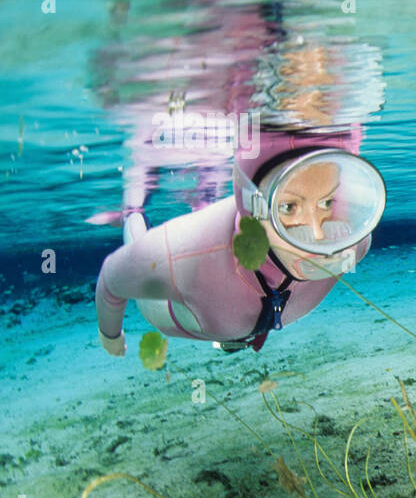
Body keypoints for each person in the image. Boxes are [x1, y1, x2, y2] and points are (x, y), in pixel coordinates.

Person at [96, 124, 386, 354]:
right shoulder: (185, 260)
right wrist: (110, 336)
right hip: (181, 313)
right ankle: (132, 208)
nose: (317, 235)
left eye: (326, 202)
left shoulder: (354, 242)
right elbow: (112, 278)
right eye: (288, 207)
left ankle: (208, 200)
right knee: (139, 235)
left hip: (244, 313)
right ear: (254, 207)